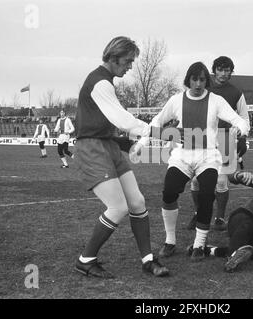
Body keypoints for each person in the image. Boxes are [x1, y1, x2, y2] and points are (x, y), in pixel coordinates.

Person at [132, 62, 249, 262]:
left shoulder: (216, 100)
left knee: (206, 195)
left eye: (202, 79)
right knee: (169, 192)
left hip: (208, 156)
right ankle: (170, 241)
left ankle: (199, 244)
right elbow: (156, 122)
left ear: (206, 81)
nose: (198, 84)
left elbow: (239, 119)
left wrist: (241, 129)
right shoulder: (176, 100)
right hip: (182, 156)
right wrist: (143, 142)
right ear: (188, 80)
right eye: (194, 79)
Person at [73, 36, 169, 279]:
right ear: (113, 58)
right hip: (92, 148)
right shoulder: (100, 83)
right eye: (128, 61)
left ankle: (148, 259)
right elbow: (121, 119)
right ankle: (86, 260)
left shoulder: (105, 82)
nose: (130, 66)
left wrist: (129, 143)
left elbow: (110, 125)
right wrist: (156, 132)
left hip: (108, 145)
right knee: (117, 208)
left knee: (137, 202)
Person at [188, 56, 250, 231]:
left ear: (231, 71)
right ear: (214, 70)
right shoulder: (202, 87)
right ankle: (198, 213)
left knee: (221, 182)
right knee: (195, 181)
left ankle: (220, 218)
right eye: (220, 69)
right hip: (201, 138)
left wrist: (243, 136)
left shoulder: (236, 93)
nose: (223, 73)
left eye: (227, 70)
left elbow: (244, 118)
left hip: (226, 139)